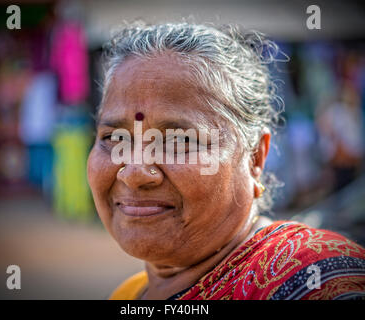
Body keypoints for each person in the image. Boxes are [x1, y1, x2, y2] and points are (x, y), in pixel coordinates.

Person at [87, 22, 365, 300]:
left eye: (180, 141)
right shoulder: (130, 294)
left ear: (255, 156)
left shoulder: (313, 279)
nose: (133, 172)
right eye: (115, 138)